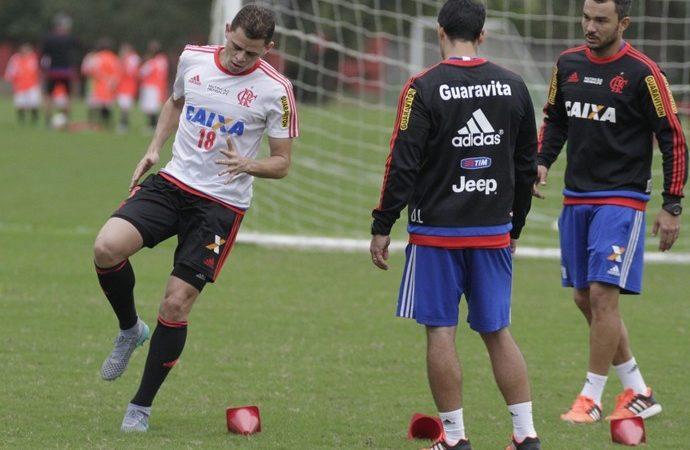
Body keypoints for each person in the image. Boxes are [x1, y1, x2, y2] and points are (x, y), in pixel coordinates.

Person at [93, 4, 298, 432]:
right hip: (173, 183)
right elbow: (175, 102)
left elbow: (281, 163)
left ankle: (141, 406)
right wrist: (154, 147)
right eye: (237, 46)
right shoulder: (193, 58)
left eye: (252, 53)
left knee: (175, 302)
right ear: (227, 30)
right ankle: (130, 329)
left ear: (269, 48)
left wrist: (247, 165)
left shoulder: (276, 90)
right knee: (106, 248)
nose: (241, 57)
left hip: (220, 205)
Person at [369, 1, 541, 449]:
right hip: (493, 233)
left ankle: (455, 440)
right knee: (497, 333)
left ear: (439, 31)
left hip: (435, 234)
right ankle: (526, 436)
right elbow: (527, 167)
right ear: (482, 35)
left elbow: (401, 163)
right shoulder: (514, 85)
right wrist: (515, 228)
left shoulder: (422, 87)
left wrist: (382, 223)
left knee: (441, 331)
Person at [535, 0, 687, 424]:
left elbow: (673, 136)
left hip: (622, 198)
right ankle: (638, 389)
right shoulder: (566, 64)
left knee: (603, 295)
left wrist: (671, 204)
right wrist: (542, 160)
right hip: (577, 197)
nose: (590, 26)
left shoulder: (644, 72)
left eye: (601, 20)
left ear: (623, 23)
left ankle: (592, 398)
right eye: (586, 18)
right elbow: (556, 119)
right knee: (585, 297)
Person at [40, 12, 80, 125]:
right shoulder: (70, 38)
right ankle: (67, 117)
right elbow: (78, 49)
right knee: (68, 95)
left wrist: (43, 69)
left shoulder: (48, 38)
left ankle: (48, 118)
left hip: (52, 71)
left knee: (48, 95)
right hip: (66, 71)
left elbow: (44, 56)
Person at [81, 37, 122, 129]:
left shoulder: (96, 57)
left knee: (92, 107)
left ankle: (92, 124)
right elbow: (117, 73)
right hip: (108, 87)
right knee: (106, 107)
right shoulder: (114, 58)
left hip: (96, 86)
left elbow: (87, 70)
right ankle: (107, 124)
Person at [3, 42, 41, 125]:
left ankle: (34, 120)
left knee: (34, 103)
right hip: (19, 86)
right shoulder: (15, 59)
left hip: (32, 85)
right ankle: (21, 121)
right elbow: (10, 72)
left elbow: (36, 71)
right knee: (20, 104)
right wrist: (9, 82)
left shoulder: (32, 58)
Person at [138, 40, 169, 131]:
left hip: (150, 85)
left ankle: (152, 125)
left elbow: (143, 72)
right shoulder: (163, 59)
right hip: (158, 85)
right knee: (153, 106)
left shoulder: (153, 61)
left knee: (150, 107)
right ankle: (153, 125)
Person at [116, 42, 141, 132]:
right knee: (123, 105)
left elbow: (132, 72)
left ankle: (124, 124)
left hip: (128, 86)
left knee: (125, 106)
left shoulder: (132, 59)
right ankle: (124, 123)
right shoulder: (125, 59)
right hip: (122, 86)